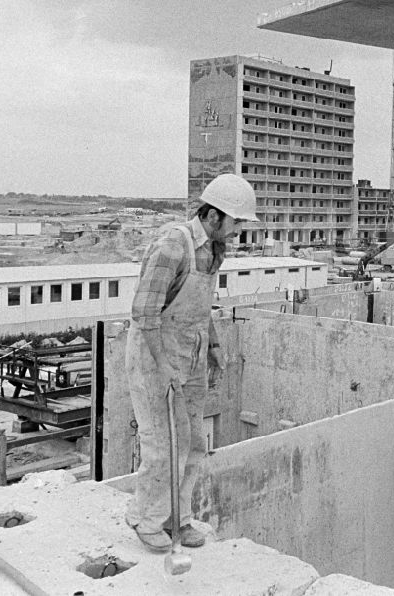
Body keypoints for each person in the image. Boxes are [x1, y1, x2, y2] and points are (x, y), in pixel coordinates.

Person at [124, 173, 259, 553]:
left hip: (192, 354)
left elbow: (200, 307)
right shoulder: (173, 245)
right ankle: (145, 519)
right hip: (156, 357)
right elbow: (145, 313)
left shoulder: (214, 250)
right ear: (214, 216)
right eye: (236, 222)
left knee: (194, 443)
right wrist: (164, 366)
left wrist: (213, 343)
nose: (239, 231)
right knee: (163, 443)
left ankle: (176, 519)